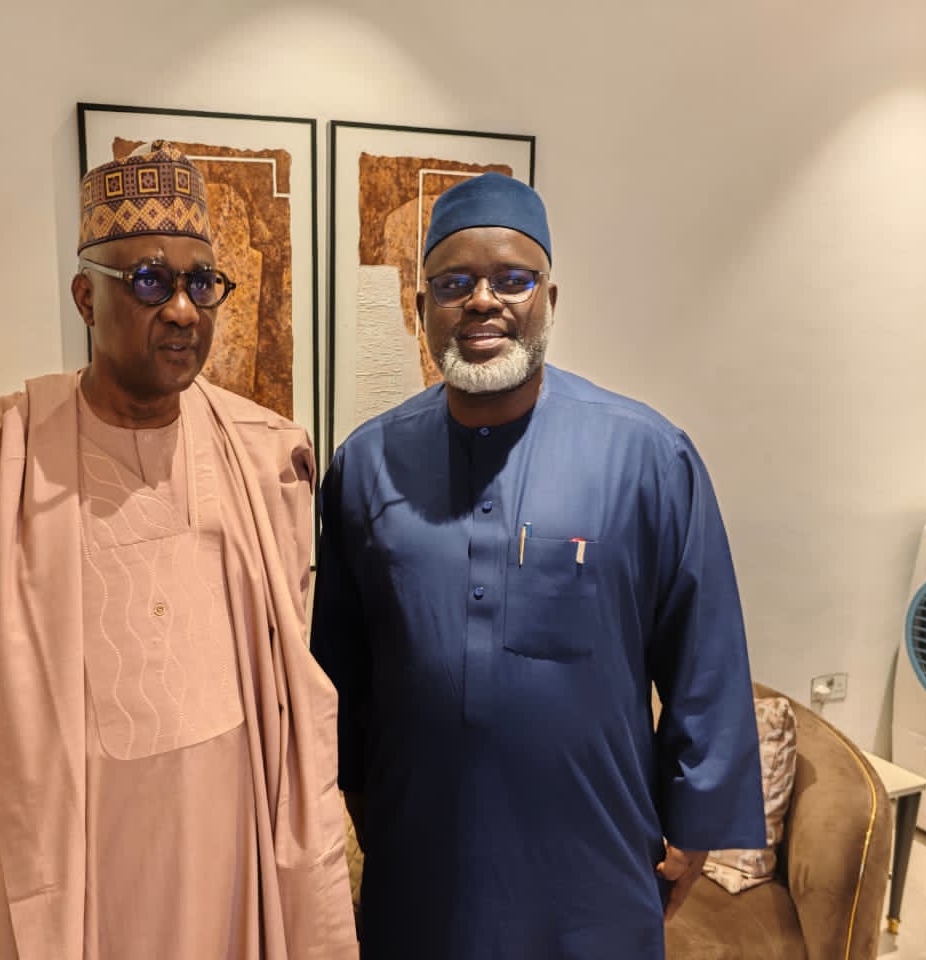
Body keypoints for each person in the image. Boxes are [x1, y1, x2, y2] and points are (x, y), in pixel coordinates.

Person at [0, 141, 357, 960]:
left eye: (200, 283)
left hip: (235, 865)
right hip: (78, 877)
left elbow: (290, 686)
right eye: (150, 281)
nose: (182, 310)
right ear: (87, 297)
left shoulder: (267, 458)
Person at [310, 172, 766, 958]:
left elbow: (706, 649)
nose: (482, 301)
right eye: (454, 283)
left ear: (549, 299)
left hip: (595, 863)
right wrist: (353, 793)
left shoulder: (646, 457)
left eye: (512, 279)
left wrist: (695, 821)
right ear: (421, 308)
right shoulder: (366, 466)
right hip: (421, 862)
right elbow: (338, 667)